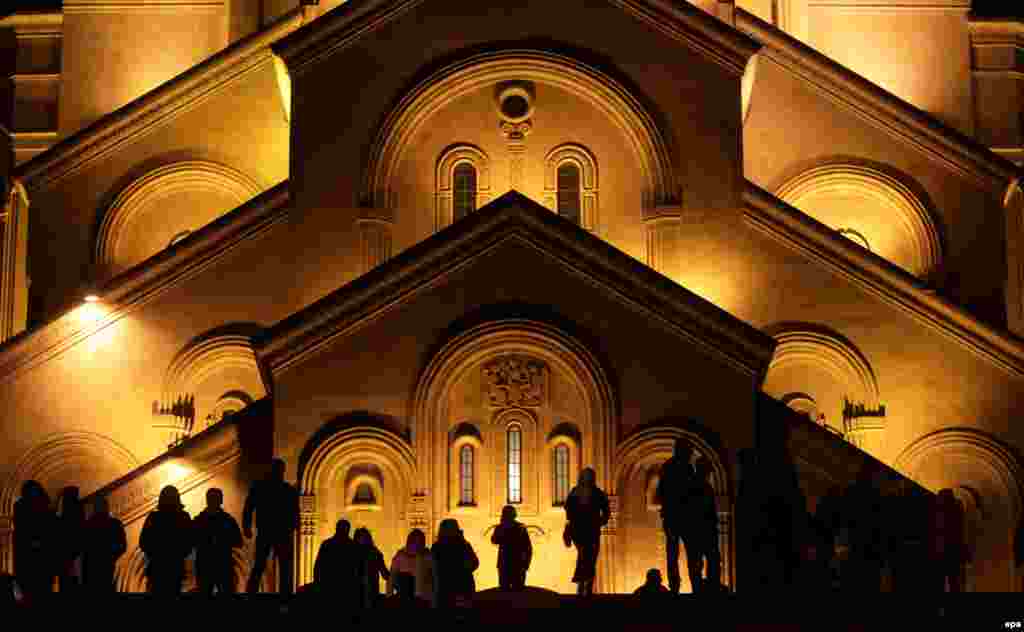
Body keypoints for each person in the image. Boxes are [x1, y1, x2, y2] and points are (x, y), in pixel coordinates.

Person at [243, 458, 300, 594]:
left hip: (274, 531)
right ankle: (282, 595)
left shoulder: (263, 487)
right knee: (265, 564)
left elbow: (248, 508)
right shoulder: (283, 489)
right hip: (272, 531)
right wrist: (246, 526)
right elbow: (249, 508)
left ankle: (279, 594)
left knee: (272, 565)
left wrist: (247, 526)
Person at [655, 440, 698, 594]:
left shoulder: (670, 467)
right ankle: (693, 585)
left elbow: (660, 492)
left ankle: (676, 587)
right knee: (688, 552)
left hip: (674, 516)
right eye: (689, 452)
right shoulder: (684, 468)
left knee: (674, 553)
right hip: (682, 516)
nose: (690, 455)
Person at [564, 467, 610, 596]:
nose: (588, 479)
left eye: (590, 476)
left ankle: (585, 584)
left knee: (590, 557)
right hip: (580, 529)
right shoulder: (575, 492)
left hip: (592, 529)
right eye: (586, 476)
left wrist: (602, 520)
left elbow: (606, 509)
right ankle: (582, 583)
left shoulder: (597, 493)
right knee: (586, 554)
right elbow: (568, 508)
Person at [139, 485, 193, 595]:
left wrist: (156, 553)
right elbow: (189, 543)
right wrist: (177, 553)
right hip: (175, 568)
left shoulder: (153, 517)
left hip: (157, 568)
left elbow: (143, 542)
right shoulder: (183, 517)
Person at [192, 488, 243, 595]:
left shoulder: (199, 520)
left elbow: (191, 542)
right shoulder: (228, 520)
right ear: (221, 501)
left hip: (204, 564)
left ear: (207, 500)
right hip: (224, 564)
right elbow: (238, 542)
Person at [13, 480, 56, 601]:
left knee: (33, 594)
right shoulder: (44, 507)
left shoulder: (21, 506)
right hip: (35, 560)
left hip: (33, 559)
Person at [82, 494, 127, 595]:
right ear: (106, 507)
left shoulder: (88, 525)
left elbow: (83, 546)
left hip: (91, 568)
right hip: (107, 567)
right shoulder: (114, 524)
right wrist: (111, 556)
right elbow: (122, 546)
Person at [431, 518, 478, 609]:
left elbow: (433, 567)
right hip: (462, 585)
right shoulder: (464, 545)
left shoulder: (437, 546)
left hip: (445, 587)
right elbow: (474, 563)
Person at [690, 456, 721, 593]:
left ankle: (708, 585)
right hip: (702, 529)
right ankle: (706, 586)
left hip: (703, 529)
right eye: (707, 470)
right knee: (704, 560)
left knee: (706, 560)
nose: (709, 474)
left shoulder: (701, 485)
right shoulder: (698, 486)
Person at [928, 488, 968, 593]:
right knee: (954, 581)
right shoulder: (955, 511)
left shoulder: (938, 512)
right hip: (953, 552)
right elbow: (959, 532)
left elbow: (936, 533)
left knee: (941, 581)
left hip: (942, 552)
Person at [313, 519, 361, 605]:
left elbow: (318, 567)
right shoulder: (353, 546)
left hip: (331, 588)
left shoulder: (327, 544)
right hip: (345, 589)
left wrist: (318, 584)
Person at [490, 505, 532, 590]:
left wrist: (525, 564)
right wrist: (526, 564)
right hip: (511, 565)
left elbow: (528, 548)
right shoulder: (517, 527)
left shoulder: (519, 528)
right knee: (512, 592)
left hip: (513, 565)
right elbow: (494, 540)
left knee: (510, 592)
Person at [57, 486, 86, 593]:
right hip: (75, 549)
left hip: (67, 550)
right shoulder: (78, 506)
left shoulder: (67, 507)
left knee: (67, 579)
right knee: (75, 578)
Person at [354, 527, 390, 608]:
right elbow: (385, 574)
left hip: (366, 593)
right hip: (367, 593)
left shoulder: (374, 553)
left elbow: (385, 574)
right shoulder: (375, 553)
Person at [389, 529, 428, 602]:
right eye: (416, 542)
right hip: (406, 598)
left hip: (422, 598)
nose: (418, 545)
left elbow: (391, 579)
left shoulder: (427, 557)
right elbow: (392, 578)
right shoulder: (400, 556)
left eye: (421, 542)